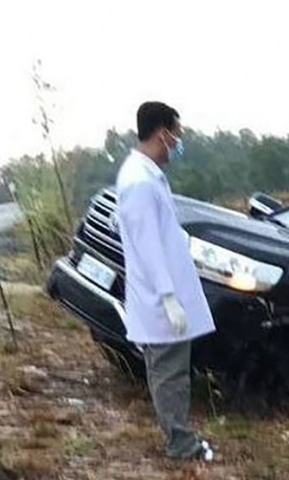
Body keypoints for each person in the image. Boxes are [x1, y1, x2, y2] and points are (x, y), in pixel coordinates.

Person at [116, 101, 215, 461]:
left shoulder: (142, 176)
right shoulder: (139, 182)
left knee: (171, 371)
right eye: (177, 134)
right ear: (163, 133)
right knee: (169, 374)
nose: (178, 142)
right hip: (160, 299)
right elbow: (147, 248)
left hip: (162, 292)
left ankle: (180, 436)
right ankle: (179, 443)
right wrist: (168, 297)